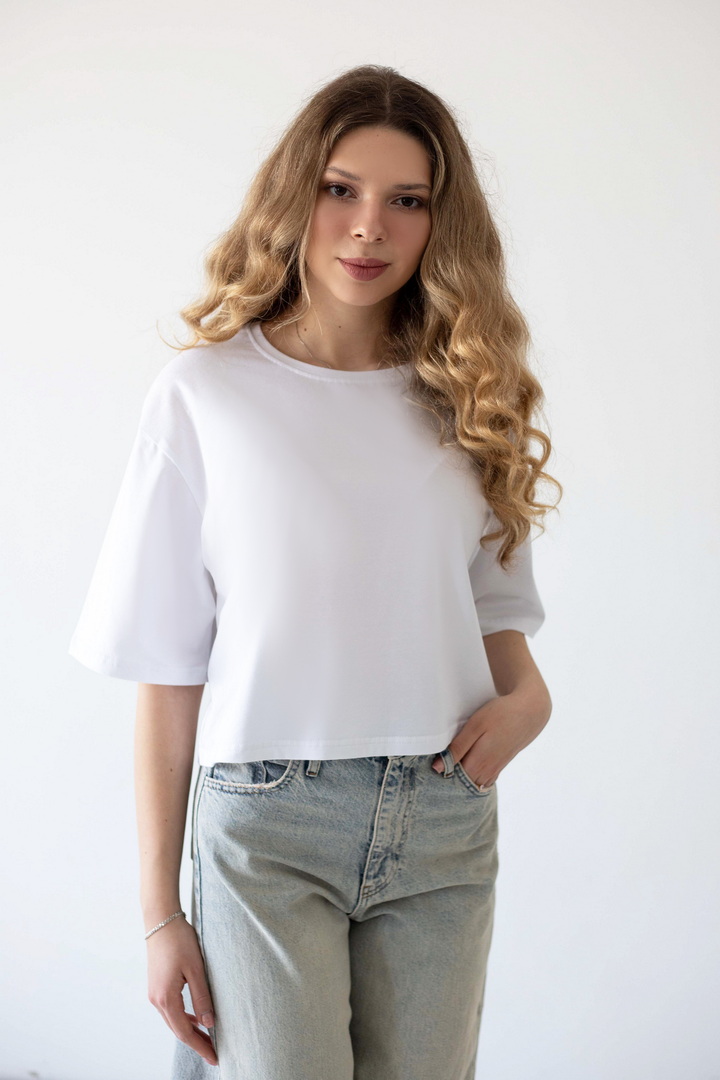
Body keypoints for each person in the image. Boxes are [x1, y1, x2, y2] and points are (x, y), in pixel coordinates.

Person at [68, 64, 561, 1079]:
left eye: (406, 200)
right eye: (342, 188)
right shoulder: (206, 395)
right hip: (268, 822)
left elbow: (492, 612)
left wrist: (530, 703)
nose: (369, 226)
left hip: (443, 814)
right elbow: (169, 670)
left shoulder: (468, 395)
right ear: (295, 193)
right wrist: (160, 914)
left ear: (440, 223)